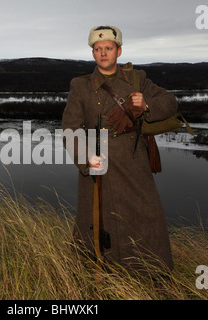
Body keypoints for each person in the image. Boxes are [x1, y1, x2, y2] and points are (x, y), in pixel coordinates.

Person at [61, 25, 177, 272]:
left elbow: (169, 102)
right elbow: (69, 129)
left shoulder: (137, 79)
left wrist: (146, 104)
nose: (103, 53)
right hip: (97, 163)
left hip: (133, 161)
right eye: (98, 49)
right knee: (97, 221)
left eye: (109, 48)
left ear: (119, 51)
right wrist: (85, 160)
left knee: (148, 216)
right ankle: (95, 272)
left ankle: (153, 273)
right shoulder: (80, 86)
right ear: (93, 53)